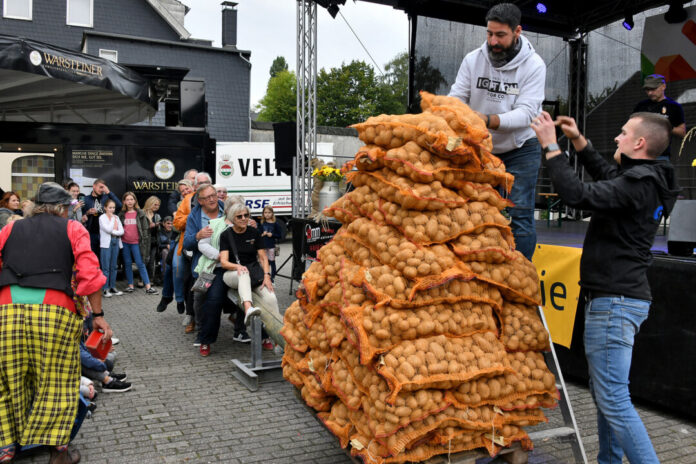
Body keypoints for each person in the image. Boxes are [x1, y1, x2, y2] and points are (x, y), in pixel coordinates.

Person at [530, 111, 679, 464]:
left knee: (613, 399)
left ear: (639, 143)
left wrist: (551, 146)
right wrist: (579, 142)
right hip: (621, 300)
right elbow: (608, 174)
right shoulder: (649, 180)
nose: (617, 137)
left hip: (615, 303)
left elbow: (576, 193)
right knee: (606, 394)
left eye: (623, 133)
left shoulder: (639, 182)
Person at [0, 182, 112, 464]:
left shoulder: (10, 228)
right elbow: (91, 274)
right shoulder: (73, 228)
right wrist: (97, 315)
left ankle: (6, 447)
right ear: (62, 208)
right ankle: (57, 453)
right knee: (57, 380)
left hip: (7, 310)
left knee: (8, 380)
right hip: (54, 310)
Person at [448, 2, 546, 260]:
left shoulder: (534, 65)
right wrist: (446, 113)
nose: (493, 41)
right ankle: (475, 267)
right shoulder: (473, 59)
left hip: (520, 149)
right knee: (471, 209)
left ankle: (520, 277)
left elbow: (527, 114)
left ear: (517, 32)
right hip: (480, 147)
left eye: (500, 35)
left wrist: (486, 119)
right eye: (489, 34)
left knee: (519, 214)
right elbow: (457, 98)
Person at [219, 203, 282, 356]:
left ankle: (279, 339)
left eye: (246, 215)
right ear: (232, 218)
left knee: (271, 297)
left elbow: (263, 258)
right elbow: (224, 262)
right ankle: (248, 308)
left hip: (254, 274)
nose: (243, 218)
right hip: (232, 274)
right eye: (239, 216)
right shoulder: (226, 235)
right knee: (243, 273)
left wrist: (267, 276)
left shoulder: (254, 232)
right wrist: (237, 267)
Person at [633, 74, 686, 160]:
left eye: (653, 89)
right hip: (640, 153)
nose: (650, 93)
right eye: (647, 90)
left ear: (663, 86)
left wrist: (666, 126)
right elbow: (630, 127)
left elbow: (682, 132)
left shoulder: (673, 106)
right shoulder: (641, 106)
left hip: (661, 156)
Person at [118, 192, 158, 295]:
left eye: (132, 199)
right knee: (127, 264)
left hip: (137, 243)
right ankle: (130, 285)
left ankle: (148, 286)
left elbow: (145, 229)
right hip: (125, 242)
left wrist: (144, 243)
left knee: (140, 264)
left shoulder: (140, 213)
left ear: (135, 201)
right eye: (127, 199)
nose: (130, 201)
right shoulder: (122, 214)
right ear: (124, 202)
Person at [82, 179, 122, 261]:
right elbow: (81, 216)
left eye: (103, 188)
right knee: (91, 258)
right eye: (100, 187)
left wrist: (108, 192)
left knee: (103, 259)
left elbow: (119, 206)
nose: (101, 190)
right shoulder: (86, 199)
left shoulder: (106, 198)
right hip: (91, 233)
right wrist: (87, 213)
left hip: (104, 234)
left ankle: (102, 274)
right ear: (94, 186)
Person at [99, 199, 124, 298]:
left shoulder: (117, 217)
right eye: (110, 207)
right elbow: (108, 229)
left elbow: (121, 231)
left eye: (113, 208)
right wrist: (113, 220)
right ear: (105, 208)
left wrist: (114, 232)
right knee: (106, 267)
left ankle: (113, 287)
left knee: (114, 266)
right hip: (106, 244)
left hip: (116, 241)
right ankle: (105, 289)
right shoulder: (102, 217)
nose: (112, 210)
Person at [142, 196, 162, 285]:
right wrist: (149, 226)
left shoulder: (157, 216)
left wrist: (159, 225)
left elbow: (159, 230)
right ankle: (141, 279)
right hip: (145, 241)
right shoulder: (142, 214)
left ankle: (150, 279)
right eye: (155, 204)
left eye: (158, 205)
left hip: (154, 241)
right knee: (144, 260)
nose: (157, 207)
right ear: (150, 203)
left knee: (151, 261)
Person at [260, 205, 282, 281]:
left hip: (271, 246)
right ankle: (266, 276)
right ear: (263, 214)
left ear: (272, 213)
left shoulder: (275, 224)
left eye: (269, 212)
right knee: (265, 261)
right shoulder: (262, 223)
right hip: (263, 246)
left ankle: (272, 277)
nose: (267, 214)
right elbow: (258, 235)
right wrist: (262, 234)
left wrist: (272, 235)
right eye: (265, 212)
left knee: (272, 261)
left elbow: (279, 235)